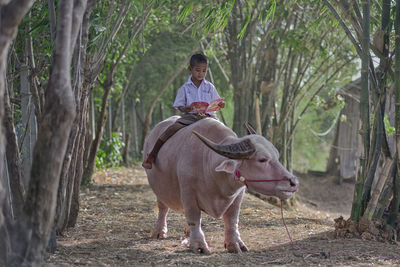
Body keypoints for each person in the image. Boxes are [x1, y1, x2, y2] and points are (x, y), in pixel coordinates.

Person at [142, 53, 225, 169]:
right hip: (191, 117)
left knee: (223, 131)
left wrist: (220, 104)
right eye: (197, 70)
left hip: (209, 116)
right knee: (171, 129)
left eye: (204, 71)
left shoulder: (210, 87)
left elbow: (216, 102)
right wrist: (186, 108)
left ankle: (229, 159)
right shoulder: (185, 88)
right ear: (190, 69)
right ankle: (152, 155)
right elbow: (179, 105)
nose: (201, 74)